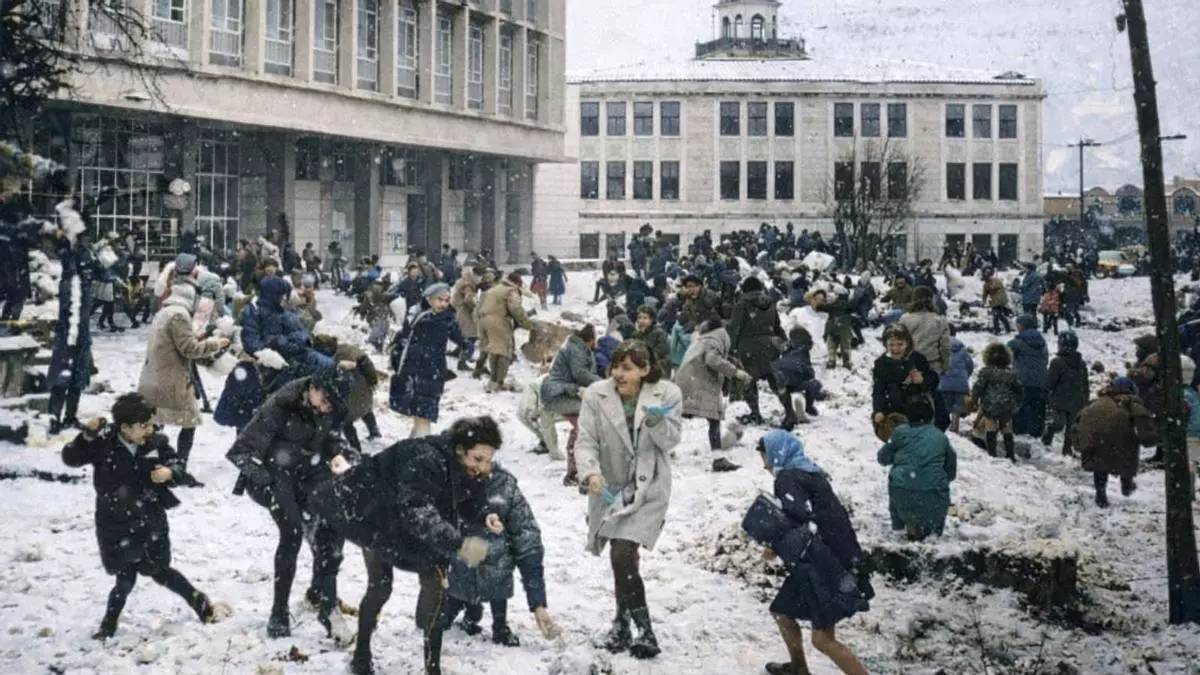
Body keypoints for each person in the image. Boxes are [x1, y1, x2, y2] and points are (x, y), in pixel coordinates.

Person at [307, 417, 501, 675]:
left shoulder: (462, 466)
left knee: (437, 592)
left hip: (414, 528)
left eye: (488, 460)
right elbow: (416, 510)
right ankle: (361, 655)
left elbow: (468, 494)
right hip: (379, 523)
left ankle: (432, 668)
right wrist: (459, 543)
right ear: (459, 450)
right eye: (478, 459)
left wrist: (484, 513)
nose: (483, 467)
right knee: (380, 587)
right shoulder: (426, 460)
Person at [63, 393, 228, 639]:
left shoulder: (156, 443)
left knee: (159, 569)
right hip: (114, 522)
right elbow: (70, 458)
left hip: (150, 518)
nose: (150, 429)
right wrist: (86, 435)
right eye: (144, 426)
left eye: (151, 423)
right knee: (125, 576)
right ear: (125, 428)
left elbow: (179, 467)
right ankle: (108, 624)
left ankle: (198, 601)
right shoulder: (103, 443)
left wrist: (170, 472)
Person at [225, 366, 357, 638]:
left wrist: (339, 455)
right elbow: (240, 452)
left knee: (332, 525)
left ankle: (322, 597)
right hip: (275, 472)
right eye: (324, 400)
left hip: (310, 468)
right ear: (313, 388)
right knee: (292, 532)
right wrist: (268, 482)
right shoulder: (282, 403)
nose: (325, 408)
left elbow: (331, 437)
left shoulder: (329, 407)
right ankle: (279, 611)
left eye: (332, 404)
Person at [575, 340, 683, 659]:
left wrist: (655, 421)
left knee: (623, 553)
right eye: (615, 367)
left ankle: (645, 631)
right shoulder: (597, 394)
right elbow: (586, 441)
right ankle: (622, 624)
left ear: (645, 370)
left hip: (649, 487)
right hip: (610, 486)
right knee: (620, 558)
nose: (618, 374)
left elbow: (671, 440)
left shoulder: (668, 394)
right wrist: (591, 473)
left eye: (628, 368)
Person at [755, 430, 871, 675]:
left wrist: (773, 545)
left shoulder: (788, 477)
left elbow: (797, 516)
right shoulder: (811, 474)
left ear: (777, 452)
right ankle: (798, 669)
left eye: (765, 456)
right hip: (830, 556)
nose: (764, 464)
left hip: (823, 563)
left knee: (822, 639)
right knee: (782, 611)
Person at [442, 462, 560, 646]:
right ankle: (461, 610)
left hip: (497, 571)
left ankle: (499, 623)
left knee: (496, 563)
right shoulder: (446, 482)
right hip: (457, 573)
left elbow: (527, 541)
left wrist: (537, 604)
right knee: (439, 614)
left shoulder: (504, 486)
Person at [137, 263, 230, 487]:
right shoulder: (179, 315)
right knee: (188, 422)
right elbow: (189, 349)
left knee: (155, 423)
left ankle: (150, 466)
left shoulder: (165, 311)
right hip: (171, 379)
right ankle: (178, 470)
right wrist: (215, 343)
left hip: (155, 376)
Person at [674, 314, 752, 471]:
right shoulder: (715, 339)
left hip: (689, 379)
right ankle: (718, 459)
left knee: (679, 415)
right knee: (714, 418)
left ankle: (664, 448)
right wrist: (735, 372)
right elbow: (712, 360)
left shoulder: (702, 340)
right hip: (700, 382)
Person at [389, 283, 466, 438]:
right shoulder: (418, 315)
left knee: (424, 411)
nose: (443, 304)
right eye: (440, 299)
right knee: (418, 411)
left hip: (431, 370)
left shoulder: (446, 319)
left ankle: (421, 443)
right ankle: (415, 441)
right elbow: (406, 336)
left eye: (446, 300)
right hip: (413, 368)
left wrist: (467, 346)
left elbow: (458, 337)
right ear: (429, 299)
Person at [877, 398, 957, 540]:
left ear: (907, 416)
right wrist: (941, 479)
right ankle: (932, 532)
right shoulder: (940, 436)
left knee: (899, 481)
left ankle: (907, 527)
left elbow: (883, 458)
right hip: (934, 491)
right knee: (933, 519)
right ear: (931, 417)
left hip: (903, 488)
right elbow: (951, 467)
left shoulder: (899, 433)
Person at [1074, 377, 1157, 507]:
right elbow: (1142, 418)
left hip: (1096, 437)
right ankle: (1126, 484)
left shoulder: (1097, 401)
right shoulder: (1130, 400)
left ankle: (1100, 492)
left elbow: (1079, 419)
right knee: (1128, 454)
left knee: (1099, 463)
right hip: (1121, 437)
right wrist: (1149, 438)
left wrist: (1079, 442)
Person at [540, 324, 601, 485]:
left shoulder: (577, 348)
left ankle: (577, 470)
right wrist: (603, 384)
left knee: (583, 427)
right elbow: (580, 374)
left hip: (565, 393)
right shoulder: (577, 350)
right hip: (558, 395)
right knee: (585, 424)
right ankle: (573, 472)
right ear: (591, 338)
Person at [728, 276, 791, 424]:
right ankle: (790, 411)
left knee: (749, 381)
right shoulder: (770, 303)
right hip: (770, 345)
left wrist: (731, 348)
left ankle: (755, 413)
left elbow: (735, 328)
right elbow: (777, 326)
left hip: (748, 346)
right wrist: (785, 342)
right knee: (775, 380)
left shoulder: (741, 304)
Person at [898, 286, 952, 430]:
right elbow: (945, 347)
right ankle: (931, 433)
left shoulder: (905, 319)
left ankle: (912, 428)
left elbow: (899, 342)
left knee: (911, 400)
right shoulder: (939, 320)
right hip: (932, 366)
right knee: (933, 401)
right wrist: (946, 366)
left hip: (910, 366)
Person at [870, 325, 937, 442]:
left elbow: (933, 379)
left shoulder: (917, 359)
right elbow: (878, 391)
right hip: (893, 411)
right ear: (886, 344)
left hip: (918, 411)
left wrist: (923, 380)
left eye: (900, 344)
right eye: (891, 344)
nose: (895, 348)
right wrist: (878, 410)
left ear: (907, 343)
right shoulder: (881, 364)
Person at [476, 271, 532, 392]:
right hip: (497, 320)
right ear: (517, 283)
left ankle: (493, 380)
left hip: (483, 320)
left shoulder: (496, 288)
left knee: (493, 350)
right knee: (505, 351)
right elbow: (515, 308)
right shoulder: (511, 290)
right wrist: (526, 323)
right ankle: (499, 382)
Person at [970, 343, 1024, 460]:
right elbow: (1019, 390)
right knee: (1007, 427)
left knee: (991, 427)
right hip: (1007, 405)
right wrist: (1016, 404)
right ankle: (1010, 454)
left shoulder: (985, 372)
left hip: (990, 405)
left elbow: (979, 388)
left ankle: (992, 453)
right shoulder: (1011, 373)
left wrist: (974, 399)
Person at [1041, 331, 1089, 456]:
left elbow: (1049, 382)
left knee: (1061, 425)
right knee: (1068, 426)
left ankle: (1060, 443)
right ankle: (1064, 447)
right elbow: (1085, 384)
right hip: (1072, 400)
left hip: (1061, 400)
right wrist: (1085, 398)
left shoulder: (1058, 362)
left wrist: (1046, 392)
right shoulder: (1078, 363)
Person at [770, 326, 823, 426]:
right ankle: (808, 406)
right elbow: (809, 373)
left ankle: (789, 411)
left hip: (781, 378)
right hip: (798, 379)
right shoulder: (804, 350)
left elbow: (777, 345)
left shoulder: (786, 346)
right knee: (814, 383)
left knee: (782, 390)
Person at [1008, 314, 1049, 437]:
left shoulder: (1016, 343)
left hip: (1022, 380)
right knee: (1037, 408)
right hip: (1040, 380)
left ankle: (1019, 431)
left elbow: (1004, 357)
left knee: (1020, 408)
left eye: (1018, 324)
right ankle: (1036, 433)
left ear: (1022, 326)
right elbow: (1045, 359)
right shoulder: (1042, 342)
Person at [938, 329, 974, 434]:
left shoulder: (939, 348)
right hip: (961, 384)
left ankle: (944, 429)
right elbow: (969, 365)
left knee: (944, 406)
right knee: (957, 407)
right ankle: (955, 427)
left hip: (944, 383)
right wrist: (965, 376)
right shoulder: (962, 349)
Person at [631, 305, 671, 378]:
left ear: (652, 320)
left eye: (645, 318)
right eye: (639, 317)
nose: (641, 320)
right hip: (641, 368)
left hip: (658, 369)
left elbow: (662, 352)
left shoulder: (659, 333)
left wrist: (645, 356)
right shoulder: (636, 334)